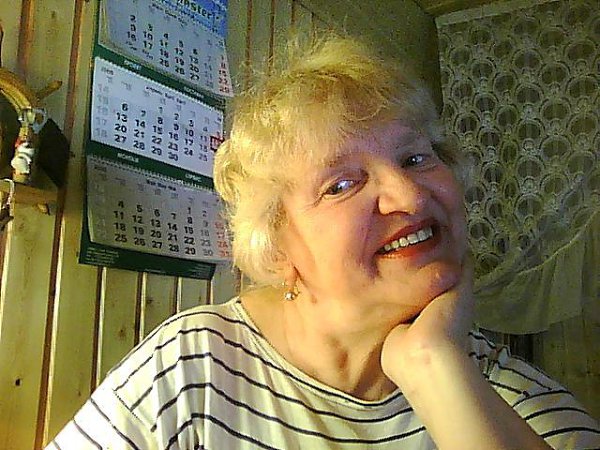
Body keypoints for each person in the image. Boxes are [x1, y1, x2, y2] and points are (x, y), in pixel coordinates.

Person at [47, 34, 599, 450]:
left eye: (416, 157)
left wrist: (434, 366)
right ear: (277, 248)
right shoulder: (194, 369)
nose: (409, 196)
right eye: (341, 184)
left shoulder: (514, 403)